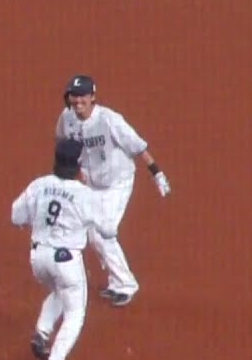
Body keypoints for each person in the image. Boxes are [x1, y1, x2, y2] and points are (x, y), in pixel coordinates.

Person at [55, 75, 171, 306]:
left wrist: (157, 173)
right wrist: (73, 170)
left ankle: (126, 285)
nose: (77, 101)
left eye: (82, 96)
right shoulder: (66, 118)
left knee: (104, 232)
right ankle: (119, 282)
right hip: (91, 185)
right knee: (93, 234)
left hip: (117, 183)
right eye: (74, 96)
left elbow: (137, 146)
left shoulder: (109, 120)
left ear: (92, 97)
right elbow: (62, 142)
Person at [11, 139, 116, 360]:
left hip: (38, 258)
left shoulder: (39, 185)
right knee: (75, 311)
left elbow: (16, 216)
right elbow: (109, 229)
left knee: (61, 290)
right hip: (65, 260)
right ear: (78, 165)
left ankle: (42, 333)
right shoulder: (84, 194)